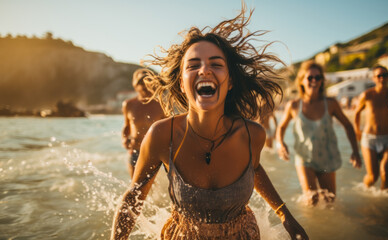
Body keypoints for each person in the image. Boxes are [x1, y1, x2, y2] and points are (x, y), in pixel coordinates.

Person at [111, 7, 308, 240]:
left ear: (231, 80)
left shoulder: (251, 134)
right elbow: (134, 197)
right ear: (182, 84)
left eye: (215, 64)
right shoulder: (163, 135)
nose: (204, 69)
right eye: (193, 65)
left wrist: (284, 214)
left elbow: (253, 168)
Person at [276, 61, 361, 206]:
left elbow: (348, 125)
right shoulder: (294, 105)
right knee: (311, 199)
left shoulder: (331, 104)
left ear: (322, 81)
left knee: (330, 200)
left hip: (327, 158)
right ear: (302, 81)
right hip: (304, 158)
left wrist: (355, 151)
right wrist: (280, 144)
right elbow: (281, 127)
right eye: (310, 78)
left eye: (318, 77)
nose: (314, 81)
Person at [354, 65, 388, 191]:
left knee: (386, 174)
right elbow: (357, 112)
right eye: (379, 76)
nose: (382, 78)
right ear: (373, 78)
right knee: (373, 176)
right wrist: (357, 130)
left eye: (384, 75)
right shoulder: (367, 95)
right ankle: (364, 189)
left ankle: (386, 206)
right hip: (369, 139)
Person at [121, 68, 166, 178]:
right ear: (136, 85)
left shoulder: (161, 105)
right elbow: (127, 126)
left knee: (150, 186)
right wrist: (124, 139)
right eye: (142, 83)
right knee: (134, 188)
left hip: (154, 152)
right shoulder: (129, 105)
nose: (145, 86)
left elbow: (168, 128)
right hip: (135, 150)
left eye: (149, 82)